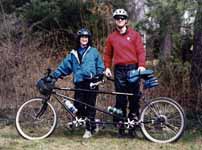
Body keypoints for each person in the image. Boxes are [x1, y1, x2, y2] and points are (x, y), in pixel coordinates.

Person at [51, 28, 105, 138]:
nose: (84, 39)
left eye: (86, 37)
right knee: (78, 105)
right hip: (79, 82)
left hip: (92, 82)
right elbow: (64, 67)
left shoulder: (93, 51)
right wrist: (54, 76)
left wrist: (99, 75)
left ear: (88, 39)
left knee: (90, 106)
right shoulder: (73, 53)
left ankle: (89, 129)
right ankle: (94, 122)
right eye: (82, 37)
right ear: (79, 39)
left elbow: (100, 66)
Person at [103, 8, 146, 137]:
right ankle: (121, 129)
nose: (120, 20)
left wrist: (142, 66)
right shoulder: (111, 37)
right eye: (117, 18)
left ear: (126, 20)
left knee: (134, 98)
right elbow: (108, 54)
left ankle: (132, 129)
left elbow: (141, 52)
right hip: (119, 70)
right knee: (120, 100)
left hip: (133, 69)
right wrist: (107, 67)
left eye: (122, 18)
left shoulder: (135, 35)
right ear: (115, 21)